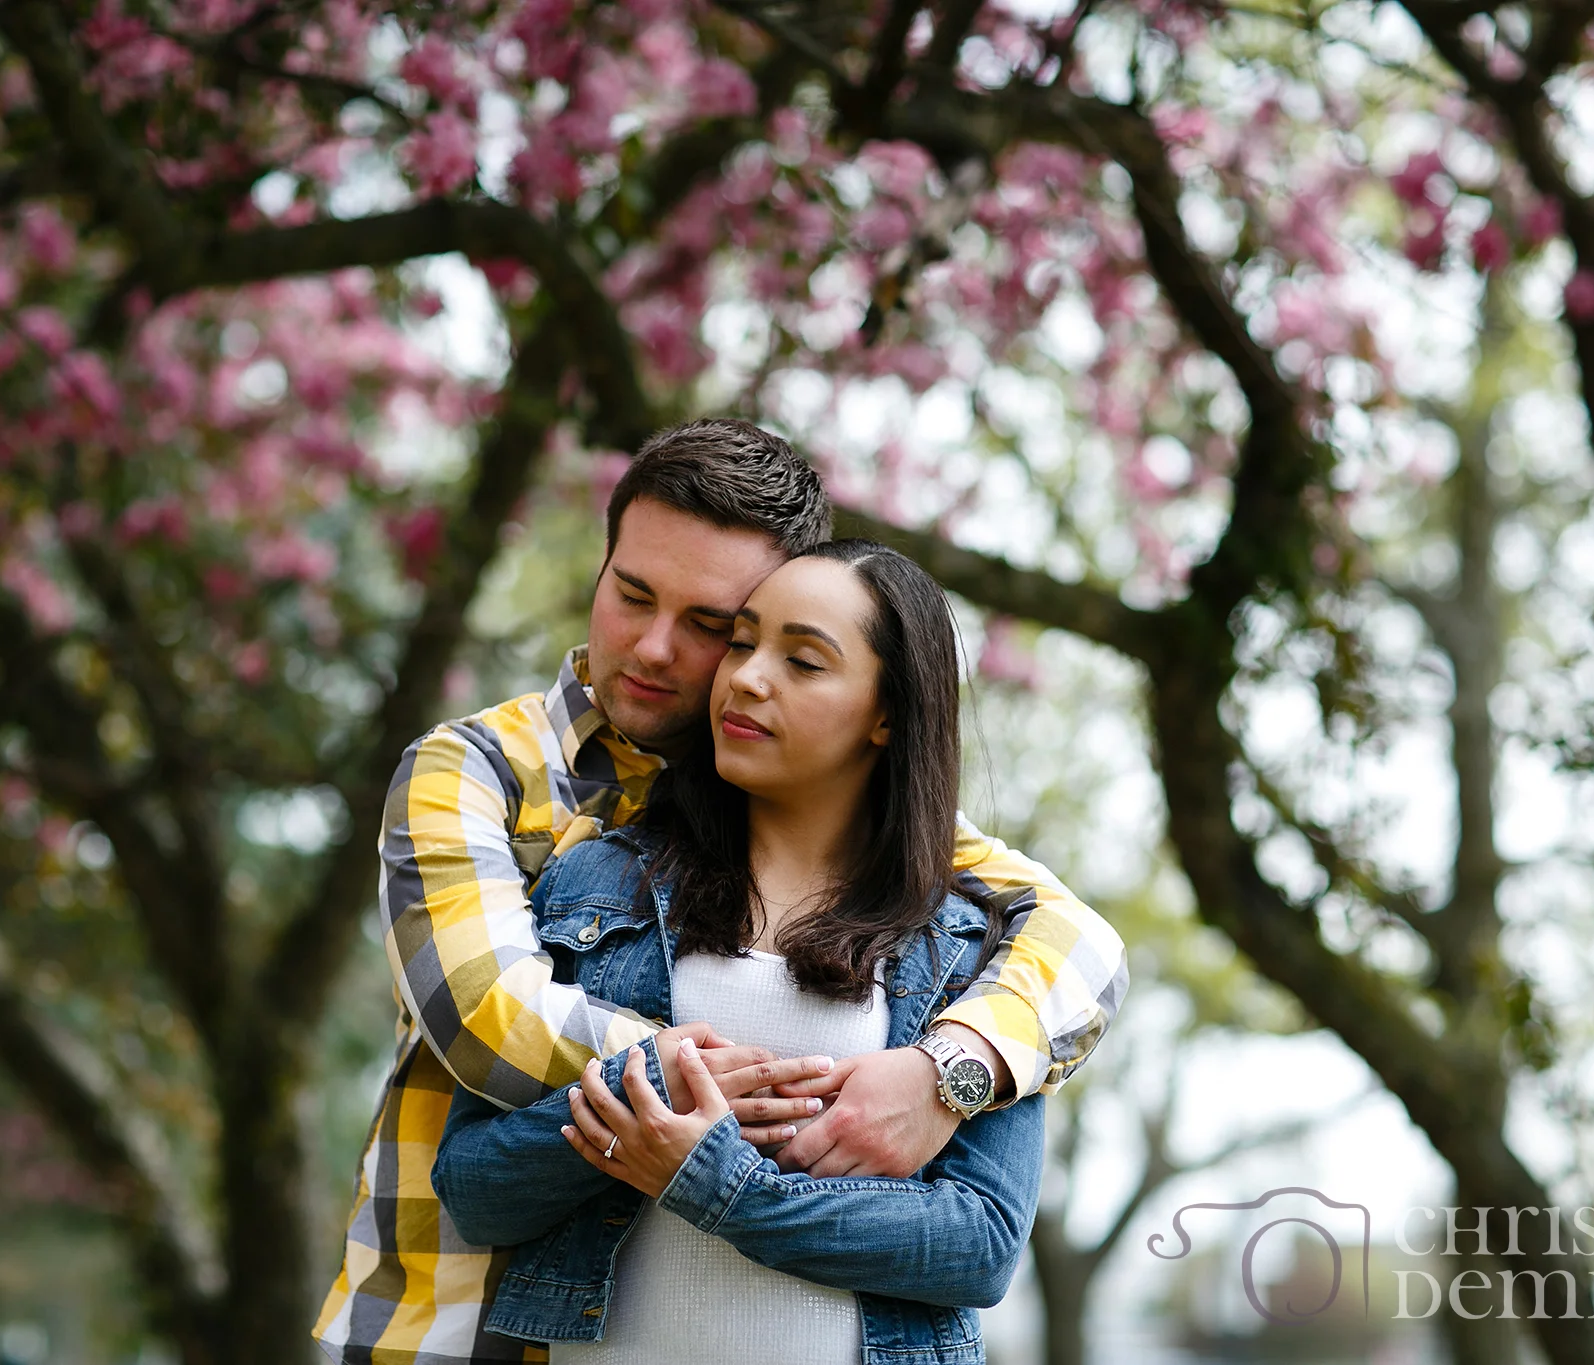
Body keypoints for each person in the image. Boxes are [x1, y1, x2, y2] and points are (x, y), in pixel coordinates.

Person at [314, 420, 1127, 1363]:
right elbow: (485, 1017)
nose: (657, 649)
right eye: (631, 595)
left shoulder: (908, 873)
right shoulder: (482, 772)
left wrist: (949, 1071)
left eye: (712, 624)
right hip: (439, 1320)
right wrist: (709, 1098)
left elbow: (1076, 939)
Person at [431, 540, 1045, 1364]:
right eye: (745, 642)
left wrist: (723, 1187)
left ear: (888, 712)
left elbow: (978, 1244)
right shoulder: (598, 881)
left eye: (803, 660)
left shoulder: (971, 943)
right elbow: (474, 1191)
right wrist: (632, 1095)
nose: (749, 677)